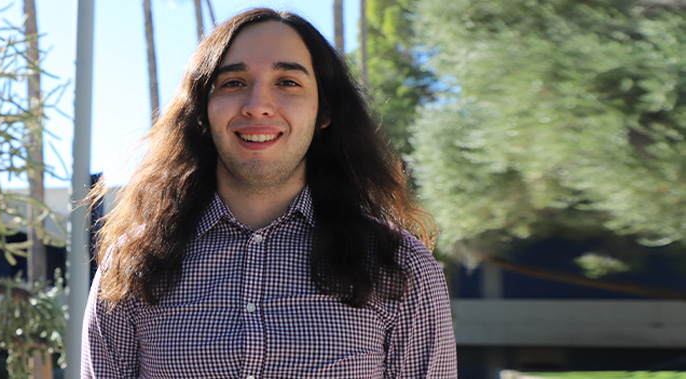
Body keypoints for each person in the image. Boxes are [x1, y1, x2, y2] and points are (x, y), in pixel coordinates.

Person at [81, 8, 456, 379]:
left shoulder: (402, 267)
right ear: (203, 111)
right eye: (233, 83)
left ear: (324, 111)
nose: (257, 106)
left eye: (287, 82)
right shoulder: (132, 266)